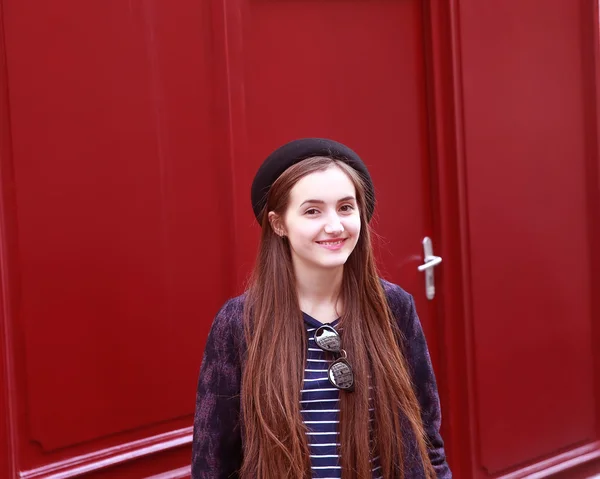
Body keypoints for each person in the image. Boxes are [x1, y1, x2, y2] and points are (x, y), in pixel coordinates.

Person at [192, 138, 452, 478]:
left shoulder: (393, 308)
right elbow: (213, 462)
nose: (335, 226)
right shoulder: (239, 324)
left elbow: (427, 440)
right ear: (278, 223)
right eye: (313, 211)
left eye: (346, 207)